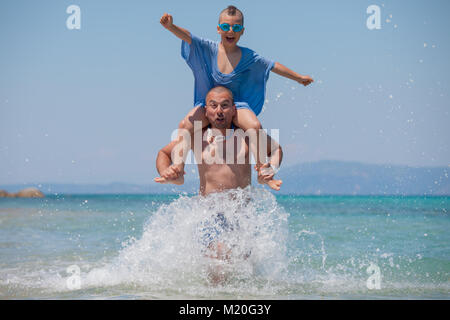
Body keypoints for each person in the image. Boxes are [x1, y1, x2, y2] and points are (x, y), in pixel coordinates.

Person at [160, 5, 312, 174]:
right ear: (219, 29)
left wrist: (299, 78)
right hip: (208, 105)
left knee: (254, 126)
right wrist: (170, 27)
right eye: (226, 26)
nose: (230, 30)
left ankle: (262, 171)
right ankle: (178, 171)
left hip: (236, 105)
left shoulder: (248, 56)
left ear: (242, 31)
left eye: (236, 27)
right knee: (184, 124)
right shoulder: (208, 48)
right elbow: (188, 37)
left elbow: (273, 66)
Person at [154, 86, 283, 284]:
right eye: (213, 106)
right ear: (206, 111)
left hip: (241, 212)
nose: (219, 111)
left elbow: (276, 149)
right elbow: (163, 153)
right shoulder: (196, 138)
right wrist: (166, 171)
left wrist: (270, 170)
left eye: (224, 106)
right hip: (209, 212)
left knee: (243, 270)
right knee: (218, 261)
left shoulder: (247, 137)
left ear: (233, 110)